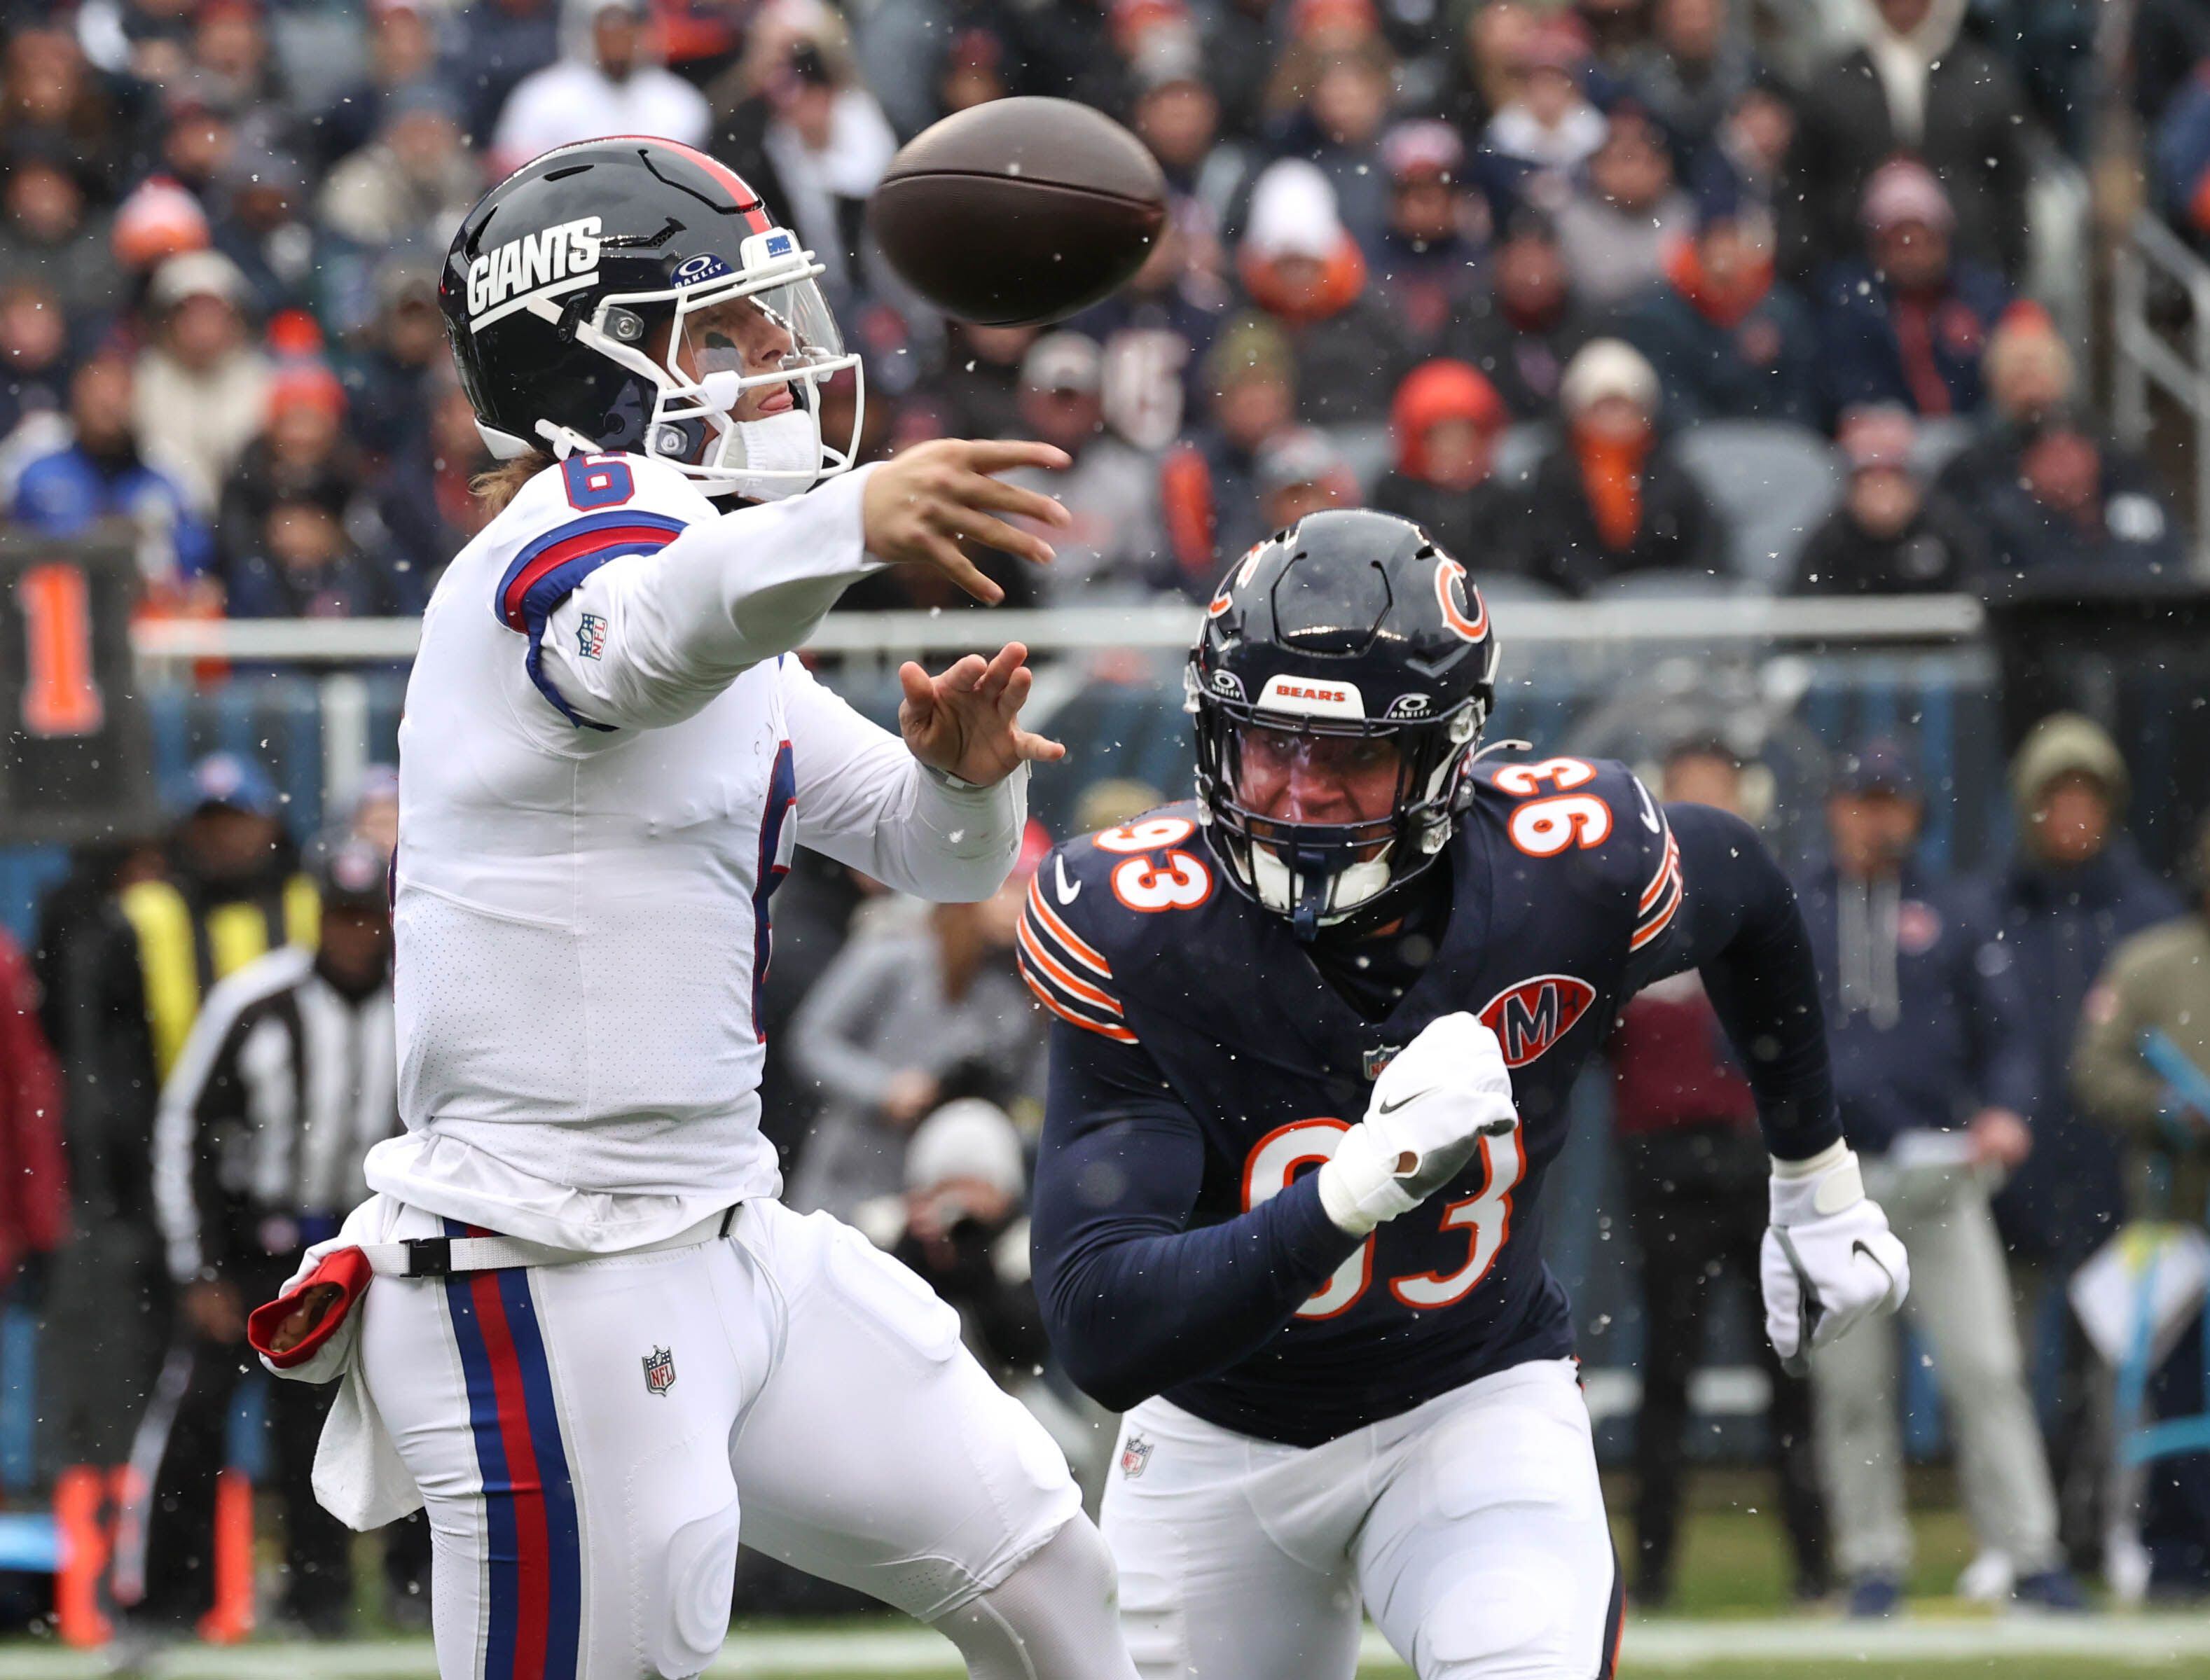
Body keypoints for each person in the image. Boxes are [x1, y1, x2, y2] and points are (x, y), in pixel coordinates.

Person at [249, 139, 1138, 1680]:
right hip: (543, 1267)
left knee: (1046, 1570)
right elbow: (651, 631)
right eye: (721, 337)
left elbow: (932, 856)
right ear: (582, 362)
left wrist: (970, 779)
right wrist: (852, 520)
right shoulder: (559, 540)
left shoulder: (734, 620)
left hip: (725, 1231)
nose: (779, 371)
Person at [1025, 507, 1909, 1678]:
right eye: (1269, 741)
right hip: (1213, 1439)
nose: (1298, 790)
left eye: (1348, 753)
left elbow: (1742, 881)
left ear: (1446, 750)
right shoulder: (1139, 923)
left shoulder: (1564, 867)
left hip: (1470, 1399)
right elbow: (1100, 1323)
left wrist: (1816, 1178)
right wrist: (1347, 1193)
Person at [1793, 740, 2080, 1615]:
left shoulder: (1954, 910)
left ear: (1914, 811)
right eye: (1864, 798)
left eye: (1893, 799)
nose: (1878, 815)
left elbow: (2009, 1038)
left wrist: (2004, 1110)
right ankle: (1871, 1560)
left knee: (1985, 1367)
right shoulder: (1799, 908)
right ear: (1838, 806)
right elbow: (1752, 1036)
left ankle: (2029, 1552)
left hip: (1941, 1175)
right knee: (1850, 1385)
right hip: (1835, 1181)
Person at [113, 840, 420, 1647]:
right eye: (341, 915)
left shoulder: (415, 1002)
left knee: (325, 1425)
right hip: (255, 1245)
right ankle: (162, 1601)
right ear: (316, 915)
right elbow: (184, 1126)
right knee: (196, 1417)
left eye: (366, 916)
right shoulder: (257, 999)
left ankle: (325, 1601)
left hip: (358, 1254)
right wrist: (201, 1265)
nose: (355, 933)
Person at [1606, 740, 1827, 1609]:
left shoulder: (1767, 900)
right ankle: (1654, 1572)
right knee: (1667, 1372)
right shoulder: (1625, 906)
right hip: (1662, 1166)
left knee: (1788, 1365)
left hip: (1756, 1163)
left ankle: (1816, 1565)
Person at [1986, 716, 2184, 1562]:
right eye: (2054, 797)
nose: (2070, 815)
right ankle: (2023, 1536)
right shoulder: (1986, 910)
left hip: (2127, 1180)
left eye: (2085, 797)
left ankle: (2110, 1529)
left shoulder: (2148, 916)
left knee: (2118, 1378)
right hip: (2020, 1180)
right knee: (2007, 1369)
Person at [2072, 812, 2210, 1595]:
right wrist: (2165, 1108)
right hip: (2175, 1222)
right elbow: (2094, 1067)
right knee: (2176, 1395)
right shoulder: (2152, 963)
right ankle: (2176, 1553)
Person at [787, 824, 1049, 1221]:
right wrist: (885, 1091)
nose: (1016, 905)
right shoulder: (899, 951)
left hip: (941, 1206)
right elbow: (812, 1039)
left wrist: (986, 1123)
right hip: (851, 1176)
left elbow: (1037, 1103)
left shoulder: (1025, 994)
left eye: (1030, 892)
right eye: (1008, 887)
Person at [1781, 0, 2030, 282]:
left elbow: (2009, 184)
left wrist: (2005, 269)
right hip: (1853, 277)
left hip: (1964, 278)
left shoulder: (1983, 79)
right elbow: (1805, 184)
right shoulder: (1833, 83)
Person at [1516, 338, 1726, 595]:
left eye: (1626, 408)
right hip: (1574, 613)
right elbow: (1550, 547)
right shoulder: (1555, 474)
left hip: (1661, 608)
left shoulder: (1670, 471)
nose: (1616, 420)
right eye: (1604, 408)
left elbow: (1702, 543)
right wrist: (1599, 596)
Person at [1815, 161, 2008, 422]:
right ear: (1877, 248)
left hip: (1971, 433)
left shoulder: (1980, 294)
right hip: (1884, 438)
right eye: (1901, 244)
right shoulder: (1850, 302)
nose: (1914, 257)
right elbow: (1852, 389)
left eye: (1923, 241)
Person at [1621, 195, 1820, 426]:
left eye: (1734, 239)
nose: (1726, 254)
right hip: (1694, 442)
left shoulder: (1782, 310)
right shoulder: (1661, 315)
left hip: (1773, 438)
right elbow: (1668, 396)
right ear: (1697, 248)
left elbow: (1800, 395)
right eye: (1716, 240)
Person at [489, 0, 710, 174]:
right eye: (607, 27)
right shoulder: (540, 97)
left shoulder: (679, 102)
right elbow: (517, 176)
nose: (617, 39)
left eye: (626, 26)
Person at [1793, 407, 1984, 594]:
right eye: (1870, 481)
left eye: (1891, 479)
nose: (1881, 491)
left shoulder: (1949, 529)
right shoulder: (1829, 542)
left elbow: (1977, 591)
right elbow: (1809, 603)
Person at [1370, 359, 1521, 567]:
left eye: (1462, 436)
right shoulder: (1393, 497)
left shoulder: (1503, 501)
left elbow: (1511, 570)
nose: (1451, 448)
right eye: (1439, 436)